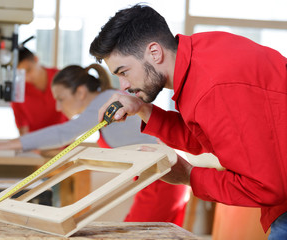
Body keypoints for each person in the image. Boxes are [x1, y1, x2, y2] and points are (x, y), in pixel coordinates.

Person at [89, 4, 287, 239]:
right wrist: (143, 109)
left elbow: (266, 188)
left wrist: (188, 175)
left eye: (124, 72)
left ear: (155, 52)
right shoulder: (201, 58)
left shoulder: (214, 87)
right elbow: (206, 135)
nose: (124, 86)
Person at [0, 64, 189, 226]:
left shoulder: (105, 103)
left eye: (61, 99)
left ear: (80, 92)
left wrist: (5, 145)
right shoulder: (104, 104)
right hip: (158, 179)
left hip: (163, 180)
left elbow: (64, 133)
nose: (59, 107)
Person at [11, 46, 67, 136]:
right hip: (36, 146)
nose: (27, 77)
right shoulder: (18, 91)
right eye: (21, 74)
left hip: (66, 143)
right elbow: (23, 130)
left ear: (36, 59)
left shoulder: (61, 77)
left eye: (28, 70)